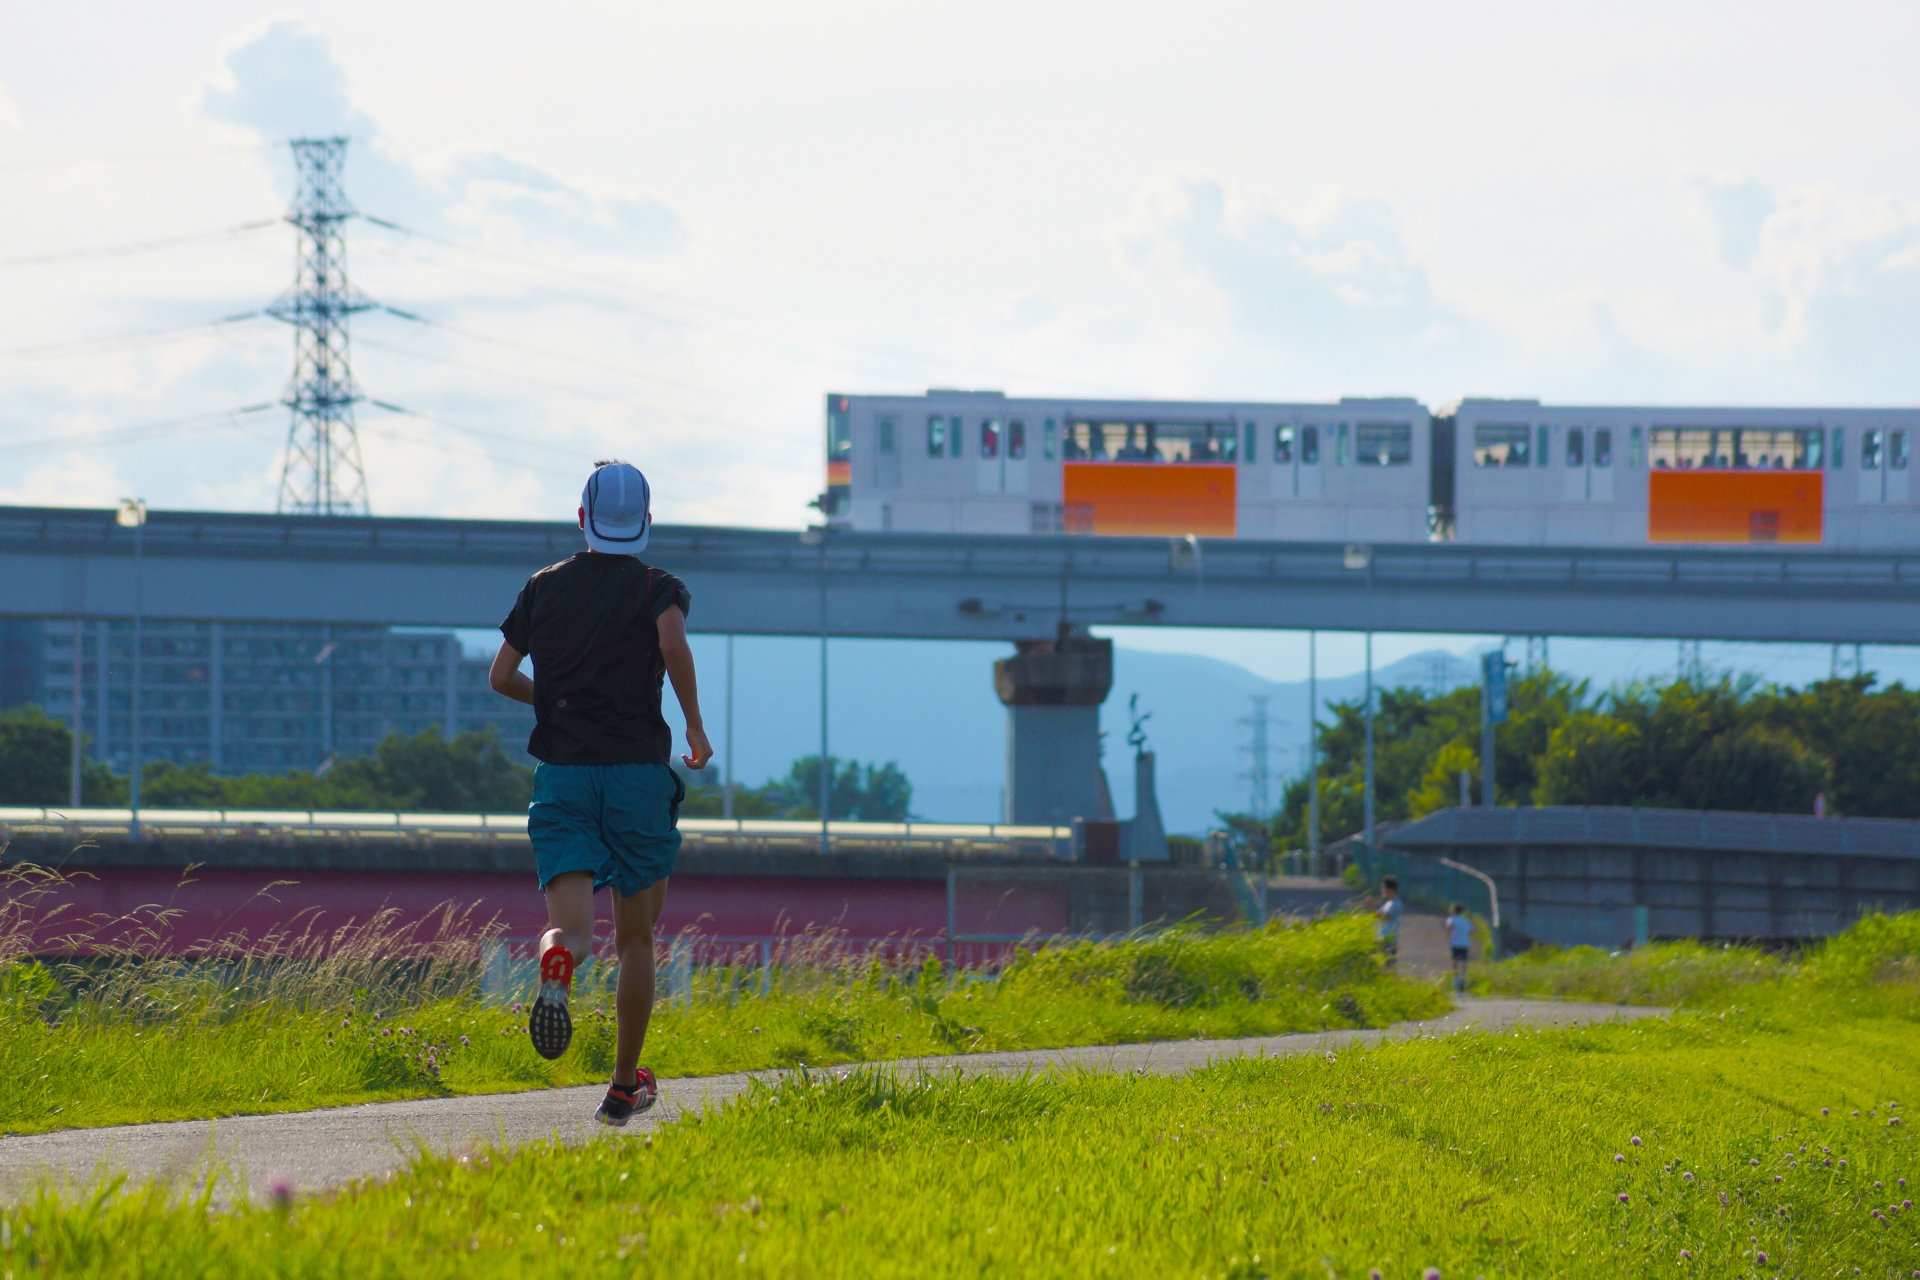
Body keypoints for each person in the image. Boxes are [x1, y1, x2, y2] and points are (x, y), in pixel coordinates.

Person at [489, 460, 712, 1127]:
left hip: (562, 777)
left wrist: (553, 704)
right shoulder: (658, 587)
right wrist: (695, 727)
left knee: (573, 927)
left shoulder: (542, 587)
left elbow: (502, 675)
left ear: (582, 518)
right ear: (646, 523)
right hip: (636, 780)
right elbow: (672, 642)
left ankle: (558, 960)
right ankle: (622, 1087)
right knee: (637, 940)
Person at [1373, 876, 1402, 966]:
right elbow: (1378, 915)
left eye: (1383, 888)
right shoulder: (1388, 903)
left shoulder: (1395, 903)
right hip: (1384, 938)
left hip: (1389, 939)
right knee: (1384, 965)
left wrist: (1371, 907)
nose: (1382, 890)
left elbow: (1385, 917)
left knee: (1388, 966)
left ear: (1391, 889)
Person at [1446, 902, 1473, 992]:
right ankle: (1463, 976)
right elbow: (1471, 930)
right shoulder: (1465, 920)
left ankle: (1456, 978)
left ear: (1455, 910)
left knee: (1455, 961)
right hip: (1465, 943)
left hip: (1455, 943)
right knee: (1464, 960)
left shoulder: (1451, 919)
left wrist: (1448, 936)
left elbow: (1449, 928)